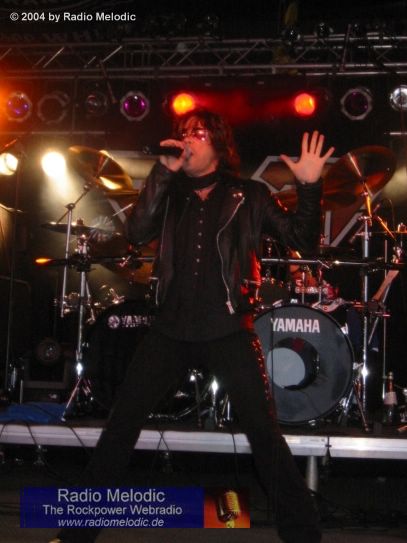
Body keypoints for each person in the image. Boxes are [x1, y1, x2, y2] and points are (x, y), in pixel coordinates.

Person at [52, 109, 334, 543]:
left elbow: (301, 238)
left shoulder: (248, 195)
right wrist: (162, 173)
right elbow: (137, 232)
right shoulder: (168, 192)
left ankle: (304, 535)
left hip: (228, 327)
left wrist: (310, 186)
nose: (186, 139)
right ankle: (76, 534)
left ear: (218, 143)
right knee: (120, 428)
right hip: (170, 328)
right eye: (181, 132)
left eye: (197, 132)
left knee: (264, 434)